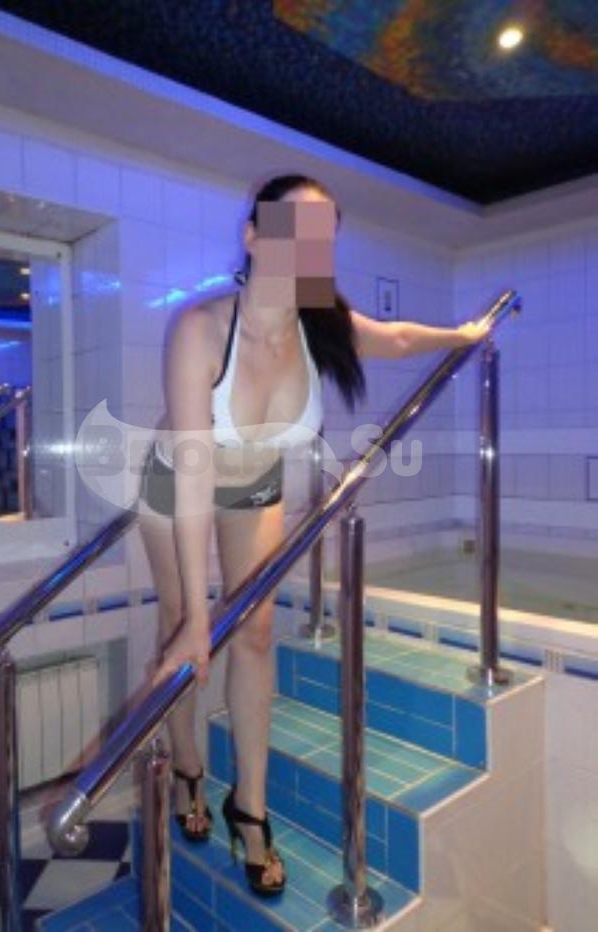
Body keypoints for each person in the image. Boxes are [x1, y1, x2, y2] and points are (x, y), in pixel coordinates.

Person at [137, 173, 491, 897]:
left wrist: (464, 336)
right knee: (182, 628)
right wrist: (201, 616)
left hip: (254, 483)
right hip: (178, 483)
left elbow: (396, 337)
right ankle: (188, 769)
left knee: (257, 634)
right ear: (254, 236)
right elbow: (195, 474)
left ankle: (249, 806)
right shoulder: (200, 329)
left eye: (323, 234)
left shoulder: (319, 323)